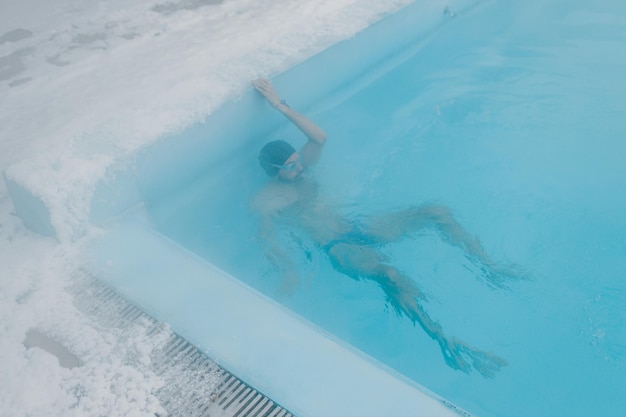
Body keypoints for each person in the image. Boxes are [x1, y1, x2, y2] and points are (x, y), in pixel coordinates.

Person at [250, 78, 521, 378]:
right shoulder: (269, 199)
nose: (299, 167)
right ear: (274, 171)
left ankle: (488, 266)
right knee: (391, 276)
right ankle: (445, 340)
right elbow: (266, 238)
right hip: (339, 247)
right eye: (290, 166)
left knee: (435, 211)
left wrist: (279, 105)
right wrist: (287, 271)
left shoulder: (303, 167)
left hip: (358, 225)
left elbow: (320, 138)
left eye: (297, 160)